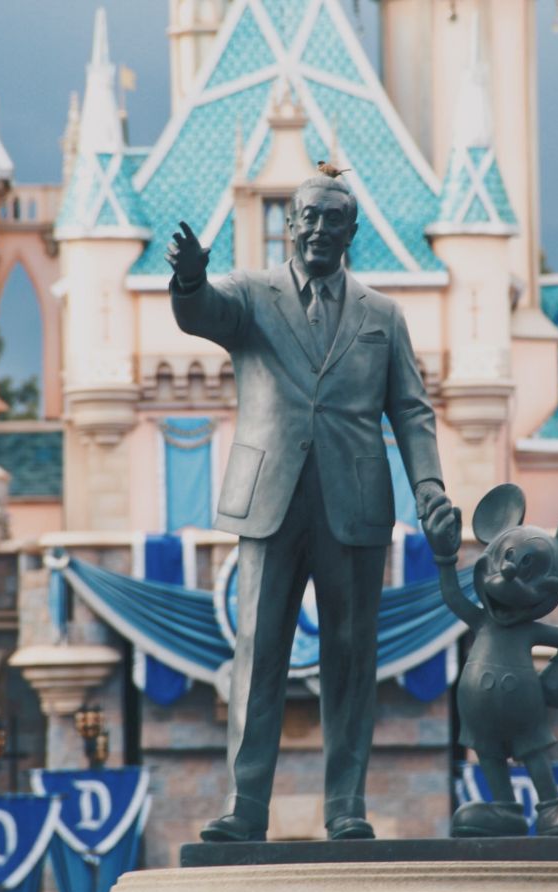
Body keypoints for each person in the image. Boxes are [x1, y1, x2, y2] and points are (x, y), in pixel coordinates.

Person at [167, 175, 450, 842]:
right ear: (289, 225)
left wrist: (430, 487)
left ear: (353, 234)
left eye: (334, 220)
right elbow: (202, 313)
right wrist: (188, 283)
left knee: (352, 659)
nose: (320, 229)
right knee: (259, 652)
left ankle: (345, 806)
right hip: (270, 498)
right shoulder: (249, 294)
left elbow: (411, 410)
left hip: (355, 502)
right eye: (308, 217)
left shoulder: (382, 315)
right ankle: (246, 807)